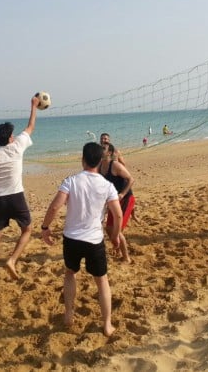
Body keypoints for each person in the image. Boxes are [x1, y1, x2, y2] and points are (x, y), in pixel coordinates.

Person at [41, 142, 123, 337]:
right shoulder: (107, 185)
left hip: (72, 239)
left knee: (70, 273)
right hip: (94, 240)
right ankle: (107, 324)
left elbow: (55, 207)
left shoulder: (71, 181)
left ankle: (69, 314)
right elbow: (118, 215)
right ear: (100, 161)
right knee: (101, 281)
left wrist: (45, 228)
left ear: (83, 159)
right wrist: (115, 237)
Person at [0, 95, 40, 295]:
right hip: (16, 196)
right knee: (27, 230)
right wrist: (33, 106)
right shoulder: (17, 146)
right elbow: (31, 126)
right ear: (10, 137)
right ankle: (12, 260)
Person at [100, 143, 135, 263]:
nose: (100, 150)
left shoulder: (115, 165)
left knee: (117, 230)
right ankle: (118, 249)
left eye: (103, 149)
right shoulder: (100, 167)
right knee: (109, 229)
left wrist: (122, 194)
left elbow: (131, 179)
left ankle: (126, 258)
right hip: (114, 201)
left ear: (109, 153)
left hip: (125, 198)